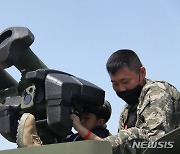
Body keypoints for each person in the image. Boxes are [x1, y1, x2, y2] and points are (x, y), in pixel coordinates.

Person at [71, 49, 180, 154]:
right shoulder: (127, 110)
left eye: (125, 81)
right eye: (115, 84)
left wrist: (107, 144)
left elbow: (156, 141)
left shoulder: (157, 91)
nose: (121, 89)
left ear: (142, 72)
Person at [16, 100, 111, 147]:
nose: (81, 121)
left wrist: (78, 127)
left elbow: (101, 145)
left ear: (100, 122)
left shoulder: (100, 132)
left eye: (86, 118)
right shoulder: (76, 137)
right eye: (80, 117)